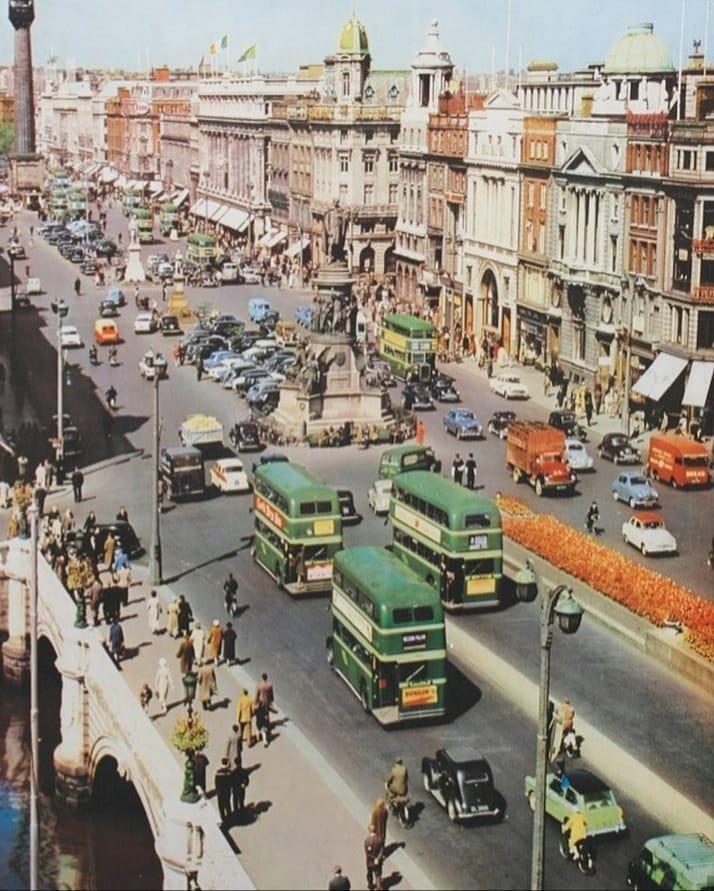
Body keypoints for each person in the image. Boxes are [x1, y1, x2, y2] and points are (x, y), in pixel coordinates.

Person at [254, 672, 275, 747]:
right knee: (266, 714)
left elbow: (257, 695)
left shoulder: (259, 686)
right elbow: (271, 694)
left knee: (259, 717)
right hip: (267, 702)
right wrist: (271, 700)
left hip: (261, 702)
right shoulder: (269, 685)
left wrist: (255, 702)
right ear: (266, 678)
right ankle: (267, 727)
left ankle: (259, 733)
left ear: (262, 678)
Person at [364, 824, 384, 891]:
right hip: (378, 862)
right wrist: (378, 858)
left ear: (369, 831)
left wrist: (373, 858)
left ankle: (370, 885)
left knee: (369, 874)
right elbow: (381, 850)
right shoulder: (379, 839)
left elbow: (367, 853)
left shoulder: (367, 841)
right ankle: (379, 888)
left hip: (370, 862)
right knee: (378, 875)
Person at [214, 758, 233, 822]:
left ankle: (222, 817)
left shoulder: (218, 772)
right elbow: (231, 782)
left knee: (221, 805)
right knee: (227, 803)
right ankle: (229, 817)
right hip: (227, 790)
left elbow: (216, 782)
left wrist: (217, 790)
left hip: (220, 791)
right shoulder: (229, 772)